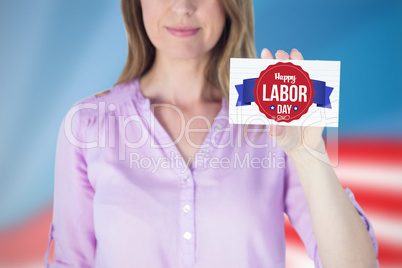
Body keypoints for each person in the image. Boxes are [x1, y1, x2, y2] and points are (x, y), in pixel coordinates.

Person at [44, 0, 379, 267]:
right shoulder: (88, 124)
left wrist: (308, 153)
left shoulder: (273, 123)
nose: (183, 6)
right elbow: (71, 262)